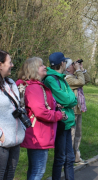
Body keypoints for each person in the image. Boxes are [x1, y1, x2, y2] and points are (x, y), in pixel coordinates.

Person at [16, 57, 64, 180]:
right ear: (34, 70)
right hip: (39, 134)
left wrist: (54, 105)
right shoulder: (34, 87)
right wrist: (59, 115)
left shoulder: (33, 85)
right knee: (38, 171)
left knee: (34, 169)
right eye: (41, 65)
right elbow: (41, 112)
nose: (45, 67)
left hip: (36, 133)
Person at [44, 52, 77, 180]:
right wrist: (69, 101)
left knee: (70, 158)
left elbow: (72, 99)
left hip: (67, 121)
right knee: (60, 157)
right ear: (62, 63)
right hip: (60, 122)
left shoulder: (61, 78)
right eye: (65, 62)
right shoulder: (50, 79)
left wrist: (69, 100)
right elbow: (68, 100)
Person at [0, 50, 25, 180]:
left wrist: (23, 128)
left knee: (9, 176)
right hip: (2, 144)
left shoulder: (10, 83)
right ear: (0, 65)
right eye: (9, 62)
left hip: (16, 140)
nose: (12, 65)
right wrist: (1, 136)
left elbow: (18, 106)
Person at [65, 58, 90, 163]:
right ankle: (68, 158)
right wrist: (79, 71)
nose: (74, 66)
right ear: (67, 68)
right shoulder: (67, 79)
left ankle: (76, 157)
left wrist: (82, 70)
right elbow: (81, 82)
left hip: (78, 109)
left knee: (78, 135)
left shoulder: (75, 76)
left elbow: (87, 79)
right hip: (72, 110)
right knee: (72, 135)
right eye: (72, 65)